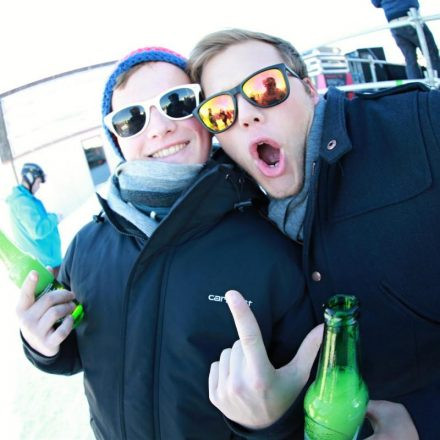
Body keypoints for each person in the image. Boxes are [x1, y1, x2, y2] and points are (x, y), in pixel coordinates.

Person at [15, 46, 320, 439]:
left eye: (177, 103)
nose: (158, 128)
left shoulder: (271, 249)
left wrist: (271, 420)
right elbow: (77, 354)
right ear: (116, 139)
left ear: (208, 115)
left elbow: (311, 401)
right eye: (132, 118)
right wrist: (42, 343)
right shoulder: (87, 247)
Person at [188, 28, 440, 438]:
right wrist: (261, 421)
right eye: (221, 112)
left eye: (266, 88)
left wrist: (427, 421)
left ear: (309, 89)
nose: (247, 114)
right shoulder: (234, 217)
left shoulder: (421, 128)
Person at [6, 162, 62, 276]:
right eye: (38, 182)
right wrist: (54, 218)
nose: (38, 186)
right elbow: (37, 230)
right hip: (46, 265)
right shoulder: (22, 202)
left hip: (48, 262)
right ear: (30, 179)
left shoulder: (24, 200)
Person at [371, 0, 440, 79]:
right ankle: (437, 82)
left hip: (394, 23)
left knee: (410, 59)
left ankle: (415, 87)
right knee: (431, 54)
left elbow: (376, 3)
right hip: (410, 17)